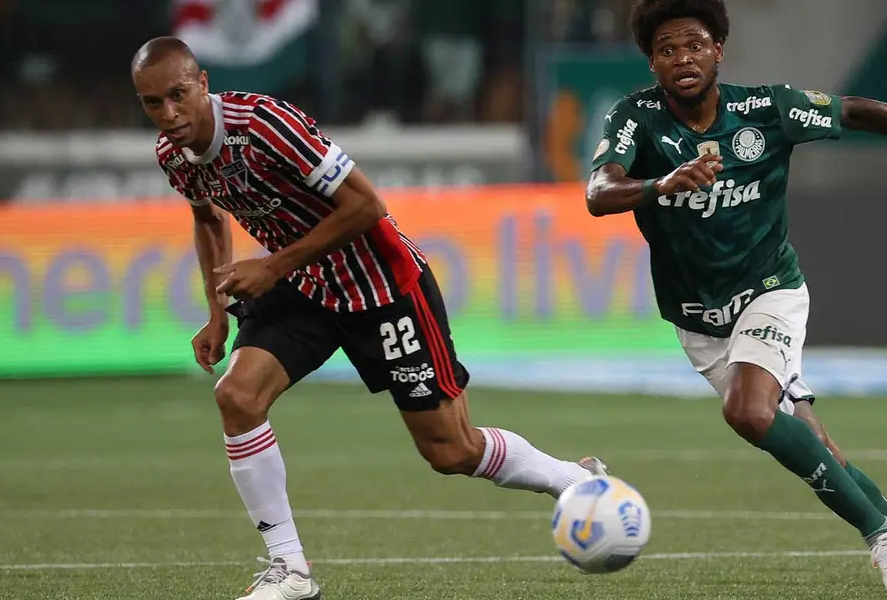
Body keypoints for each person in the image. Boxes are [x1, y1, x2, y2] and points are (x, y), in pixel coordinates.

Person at [132, 37, 605, 600]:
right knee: (237, 395)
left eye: (178, 95)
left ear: (203, 82)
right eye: (152, 103)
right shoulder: (172, 153)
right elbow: (208, 221)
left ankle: (572, 479)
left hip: (383, 286)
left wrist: (273, 264)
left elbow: (367, 206)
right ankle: (290, 570)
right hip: (306, 287)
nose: (169, 114)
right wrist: (217, 315)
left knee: (450, 451)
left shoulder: (265, 125)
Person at [585, 1, 887, 598]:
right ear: (652, 62)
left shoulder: (764, 109)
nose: (682, 59)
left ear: (719, 49)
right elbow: (600, 190)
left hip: (771, 292)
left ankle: (881, 535)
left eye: (693, 45)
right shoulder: (635, 118)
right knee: (816, 447)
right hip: (699, 319)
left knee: (747, 411)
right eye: (667, 50)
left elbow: (854, 111)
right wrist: (660, 182)